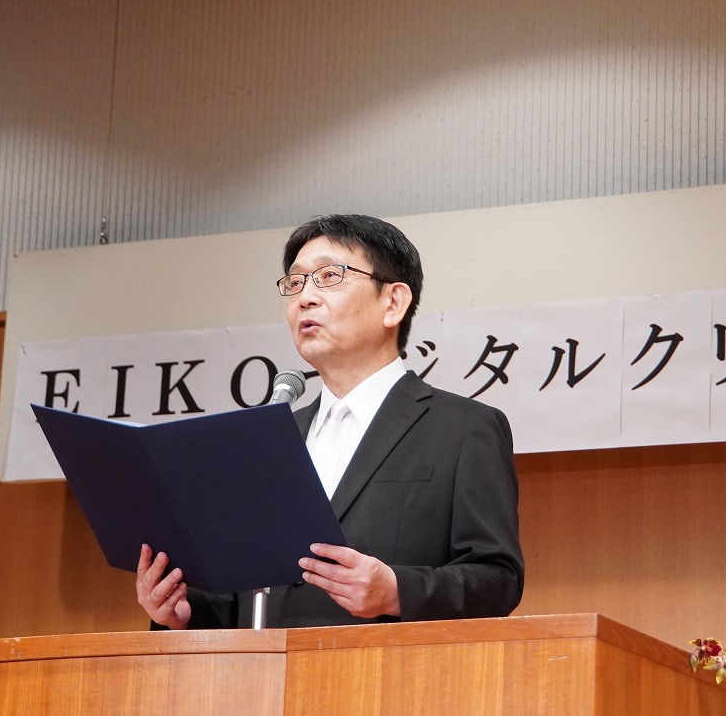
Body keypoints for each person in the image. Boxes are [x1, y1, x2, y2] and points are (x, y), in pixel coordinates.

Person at [135, 214, 524, 628]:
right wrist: (185, 613)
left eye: (328, 276)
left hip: (386, 666)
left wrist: (397, 591)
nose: (305, 297)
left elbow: (498, 580)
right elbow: (245, 596)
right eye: (295, 282)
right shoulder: (270, 440)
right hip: (266, 668)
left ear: (393, 302)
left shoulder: (463, 429)